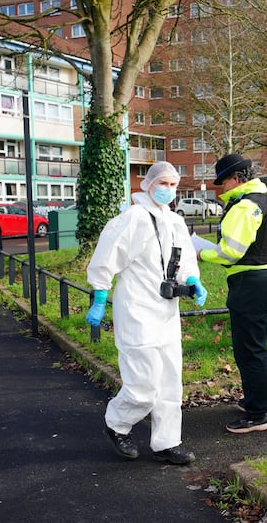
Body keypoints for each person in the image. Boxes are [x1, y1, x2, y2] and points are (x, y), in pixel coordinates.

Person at [85, 161, 207, 464]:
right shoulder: (133, 219)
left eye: (173, 185)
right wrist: (100, 295)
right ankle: (117, 424)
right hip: (137, 312)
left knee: (169, 381)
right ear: (148, 185)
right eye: (162, 183)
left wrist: (192, 280)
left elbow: (185, 259)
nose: (168, 190)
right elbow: (106, 257)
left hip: (166, 313)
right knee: (144, 384)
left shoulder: (175, 222)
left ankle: (167, 442)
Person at [197, 153, 267, 434]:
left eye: (222, 182)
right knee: (258, 344)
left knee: (248, 349)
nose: (221, 188)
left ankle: (257, 414)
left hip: (252, 283)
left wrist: (200, 252)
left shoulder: (244, 207)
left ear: (236, 178)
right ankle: (264, 399)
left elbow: (230, 252)